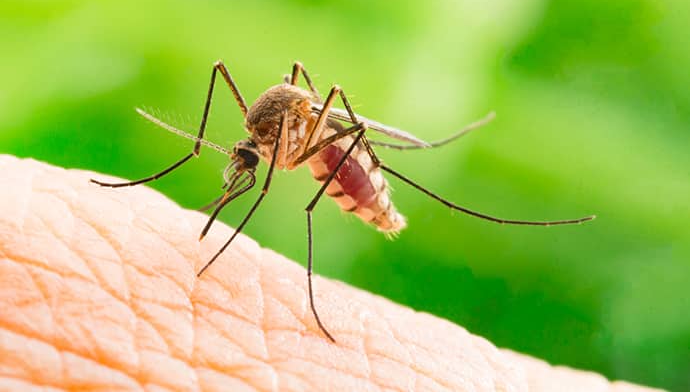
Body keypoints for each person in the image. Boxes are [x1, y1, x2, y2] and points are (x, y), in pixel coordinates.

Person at [0, 155, 661, 391]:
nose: (240, 174)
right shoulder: (264, 140)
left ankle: (428, 197)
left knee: (312, 161)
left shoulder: (292, 145)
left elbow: (282, 154)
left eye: (242, 164)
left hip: (332, 145)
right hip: (313, 138)